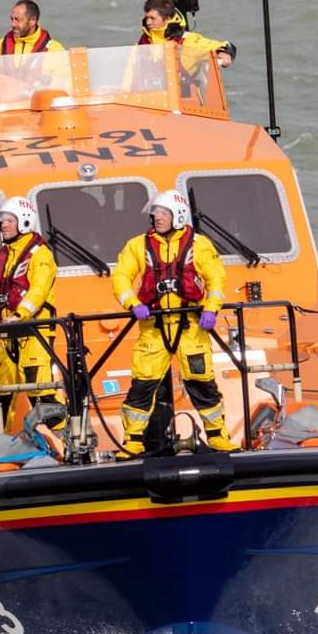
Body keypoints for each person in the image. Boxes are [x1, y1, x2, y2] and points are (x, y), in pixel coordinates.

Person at [108, 188, 236, 457]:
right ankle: (133, 441)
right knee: (142, 385)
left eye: (163, 213)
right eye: (155, 214)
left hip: (191, 326)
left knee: (202, 383)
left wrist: (211, 309)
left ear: (177, 215)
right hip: (153, 328)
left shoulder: (200, 245)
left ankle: (217, 437)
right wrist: (133, 303)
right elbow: (120, 276)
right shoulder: (137, 245)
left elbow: (216, 279)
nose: (158, 218)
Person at [0, 196, 60, 454]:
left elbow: (39, 290)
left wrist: (20, 314)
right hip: (6, 335)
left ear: (23, 222)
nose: (4, 225)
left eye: (9, 221)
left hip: (35, 333)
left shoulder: (41, 255)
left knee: (41, 392)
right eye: (2, 221)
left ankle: (59, 446)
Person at [136, 0, 234, 96]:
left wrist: (224, 56)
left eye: (152, 18)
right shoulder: (143, 43)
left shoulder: (188, 40)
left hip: (181, 101)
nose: (148, 22)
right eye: (147, 17)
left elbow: (225, 47)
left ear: (167, 19)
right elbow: (130, 73)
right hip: (146, 99)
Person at [0, 0, 65, 55]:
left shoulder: (55, 50)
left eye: (17, 20)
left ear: (32, 21)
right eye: (12, 19)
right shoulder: (0, 46)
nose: (13, 24)